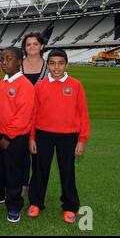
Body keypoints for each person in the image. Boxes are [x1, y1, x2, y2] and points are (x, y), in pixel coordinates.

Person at [27, 49, 90, 224]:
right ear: (48, 65)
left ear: (66, 64)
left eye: (60, 63)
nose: (56, 67)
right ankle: (36, 203)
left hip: (69, 136)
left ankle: (70, 206)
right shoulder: (40, 86)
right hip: (43, 134)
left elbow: (83, 113)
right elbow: (33, 113)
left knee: (67, 171)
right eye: (53, 63)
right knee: (40, 170)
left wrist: (82, 139)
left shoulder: (76, 85)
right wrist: (32, 136)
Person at [0, 47, 35, 223]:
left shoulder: (25, 85)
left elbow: (23, 115)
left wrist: (8, 137)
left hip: (15, 138)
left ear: (19, 62)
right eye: (2, 59)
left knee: (13, 173)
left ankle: (14, 206)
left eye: (8, 59)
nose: (4, 62)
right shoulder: (0, 84)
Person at [20, 32, 49, 197]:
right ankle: (23, 184)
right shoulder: (17, 65)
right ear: (24, 47)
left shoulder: (49, 66)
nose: (32, 47)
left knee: (39, 155)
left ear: (42, 46)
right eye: (28, 44)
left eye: (35, 44)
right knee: (22, 154)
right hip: (22, 117)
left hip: (42, 119)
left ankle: (36, 189)